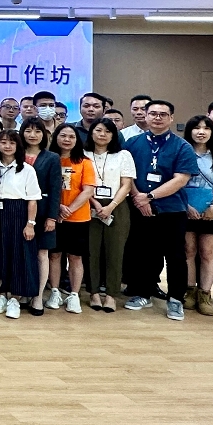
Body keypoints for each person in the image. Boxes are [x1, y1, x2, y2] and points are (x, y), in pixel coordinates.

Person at [122, 100, 196, 321]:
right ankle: (143, 293)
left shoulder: (182, 146)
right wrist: (139, 198)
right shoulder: (133, 143)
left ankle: (175, 299)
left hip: (172, 209)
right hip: (140, 207)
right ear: (145, 116)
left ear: (171, 118)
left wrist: (150, 196)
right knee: (144, 253)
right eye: (153, 113)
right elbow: (127, 175)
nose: (157, 117)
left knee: (175, 255)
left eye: (163, 114)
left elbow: (181, 179)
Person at [0, 130, 41, 320]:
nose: (7, 146)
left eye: (12, 142)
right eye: (3, 142)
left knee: (18, 255)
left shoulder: (26, 169)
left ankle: (15, 298)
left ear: (18, 146)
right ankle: (1, 295)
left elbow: (33, 199)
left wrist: (30, 224)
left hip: (18, 212)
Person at [84, 118, 134, 313]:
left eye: (107, 131)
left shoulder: (123, 155)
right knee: (91, 251)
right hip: (89, 204)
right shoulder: (83, 154)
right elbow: (80, 184)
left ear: (114, 135)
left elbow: (126, 185)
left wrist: (111, 206)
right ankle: (94, 293)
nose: (102, 134)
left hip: (117, 206)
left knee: (115, 251)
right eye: (98, 130)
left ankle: (112, 294)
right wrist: (95, 203)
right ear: (91, 133)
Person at [45, 123, 96, 314]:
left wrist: (68, 209)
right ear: (55, 137)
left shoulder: (84, 162)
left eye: (71, 136)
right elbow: (44, 187)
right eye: (63, 136)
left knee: (75, 257)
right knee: (54, 255)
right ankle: (55, 291)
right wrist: (57, 207)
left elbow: (88, 190)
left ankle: (74, 295)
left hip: (78, 217)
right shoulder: (49, 159)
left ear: (77, 140)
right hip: (53, 215)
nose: (67, 140)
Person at [181, 115, 213, 316]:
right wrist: (186, 206)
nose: (201, 132)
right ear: (189, 131)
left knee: (207, 252)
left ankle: (204, 294)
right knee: (188, 250)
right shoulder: (182, 152)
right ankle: (190, 291)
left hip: (212, 209)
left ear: (212, 132)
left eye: (206, 128)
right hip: (185, 207)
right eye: (196, 128)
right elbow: (176, 181)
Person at [20, 117, 62, 315]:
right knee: (22, 252)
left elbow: (55, 190)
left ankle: (37, 296)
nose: (33, 135)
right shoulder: (15, 153)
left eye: (37, 131)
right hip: (19, 209)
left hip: (44, 210)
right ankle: (23, 291)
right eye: (28, 130)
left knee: (41, 253)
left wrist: (52, 217)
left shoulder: (52, 157)